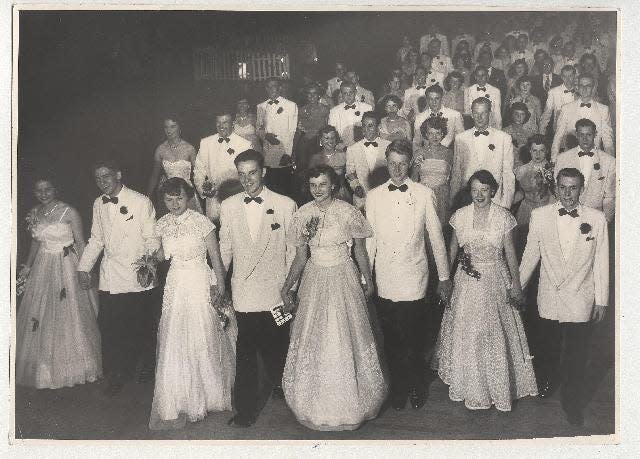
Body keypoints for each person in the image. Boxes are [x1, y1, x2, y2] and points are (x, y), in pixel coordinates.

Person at [280, 165, 387, 431]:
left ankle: (350, 402)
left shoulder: (347, 212)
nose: (318, 190)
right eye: (313, 184)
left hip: (343, 276)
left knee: (343, 335)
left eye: (323, 184)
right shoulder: (302, 214)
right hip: (315, 278)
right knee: (315, 336)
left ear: (333, 186)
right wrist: (287, 287)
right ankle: (313, 402)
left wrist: (368, 279)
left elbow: (360, 251)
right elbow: (300, 258)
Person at [433, 169, 538, 411]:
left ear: (493, 191)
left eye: (484, 190)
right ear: (469, 191)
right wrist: (445, 280)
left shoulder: (503, 217)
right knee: (469, 330)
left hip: (495, 278)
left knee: (491, 332)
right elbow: (451, 251)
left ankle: (496, 386)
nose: (479, 195)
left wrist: (516, 285)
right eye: (474, 189)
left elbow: (511, 254)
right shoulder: (459, 216)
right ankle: (471, 384)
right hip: (466, 281)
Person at [366, 139, 452, 411]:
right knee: (390, 339)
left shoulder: (424, 193)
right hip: (385, 277)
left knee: (414, 337)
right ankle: (398, 388)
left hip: (415, 275)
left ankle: (417, 385)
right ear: (386, 161)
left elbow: (436, 238)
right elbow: (370, 242)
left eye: (403, 164)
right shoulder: (374, 196)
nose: (397, 169)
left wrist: (445, 277)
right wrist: (366, 277)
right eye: (392, 163)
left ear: (411, 163)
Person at [519, 167, 609, 426]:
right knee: (547, 347)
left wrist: (601, 300)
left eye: (573, 188)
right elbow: (529, 258)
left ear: (581, 189)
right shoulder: (540, 215)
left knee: (576, 354)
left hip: (581, 296)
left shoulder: (597, 219)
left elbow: (601, 263)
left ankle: (572, 402)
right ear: (555, 187)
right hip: (550, 296)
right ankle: (548, 380)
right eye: (563, 187)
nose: (567, 193)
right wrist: (518, 288)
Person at [149, 178, 236, 430]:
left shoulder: (202, 222)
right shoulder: (162, 224)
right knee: (175, 336)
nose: (174, 203)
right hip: (176, 282)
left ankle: (208, 395)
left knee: (201, 334)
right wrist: (148, 261)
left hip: (199, 279)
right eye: (169, 199)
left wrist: (220, 286)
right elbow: (161, 254)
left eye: (179, 198)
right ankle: (179, 396)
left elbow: (216, 258)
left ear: (188, 197)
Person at [218, 149, 297, 427]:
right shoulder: (228, 206)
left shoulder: (286, 205)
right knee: (246, 351)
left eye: (252, 173)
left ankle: (286, 389)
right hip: (245, 292)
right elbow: (225, 249)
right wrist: (219, 284)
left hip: (277, 292)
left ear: (263, 172)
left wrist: (290, 289)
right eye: (241, 174)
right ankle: (246, 409)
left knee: (279, 345)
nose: (247, 179)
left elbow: (292, 251)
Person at [77, 158, 160, 396]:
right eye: (98, 178)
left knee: (142, 326)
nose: (102, 182)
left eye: (106, 176)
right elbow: (96, 239)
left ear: (119, 175)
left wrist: (149, 267)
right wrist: (84, 267)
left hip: (138, 275)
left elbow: (152, 239)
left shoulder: (141, 202)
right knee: (110, 326)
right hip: (111, 276)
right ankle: (117, 374)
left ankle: (147, 366)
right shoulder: (98, 203)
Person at [16, 175, 101, 389]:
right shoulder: (35, 213)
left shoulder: (69, 211)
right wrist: (27, 267)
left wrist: (85, 269)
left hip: (67, 265)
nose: (43, 194)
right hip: (43, 266)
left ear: (56, 189)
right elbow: (36, 243)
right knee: (42, 314)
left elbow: (81, 243)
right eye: (39, 191)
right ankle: (45, 367)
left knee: (68, 313)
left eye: (48, 189)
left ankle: (74, 366)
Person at [451, 97, 515, 209]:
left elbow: (508, 176)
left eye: (483, 113)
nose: (479, 117)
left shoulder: (504, 138)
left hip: (495, 201)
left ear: (490, 113)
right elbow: (456, 174)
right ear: (471, 114)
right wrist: (454, 203)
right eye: (476, 113)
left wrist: (505, 205)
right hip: (467, 202)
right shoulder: (460, 138)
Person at [193, 112, 251, 223]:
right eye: (218, 122)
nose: (221, 126)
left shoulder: (244, 144)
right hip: (213, 201)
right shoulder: (206, 143)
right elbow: (198, 172)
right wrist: (204, 190)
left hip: (236, 199)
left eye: (225, 122)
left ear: (233, 123)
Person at [554, 118, 616, 223]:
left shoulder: (609, 161)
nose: (585, 139)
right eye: (581, 135)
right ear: (576, 135)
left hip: (595, 217)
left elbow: (609, 196)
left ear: (595, 134)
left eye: (589, 135)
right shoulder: (562, 158)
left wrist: (605, 220)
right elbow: (557, 189)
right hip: (568, 216)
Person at [147, 116, 203, 214]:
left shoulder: (189, 148)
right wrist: (147, 197)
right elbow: (154, 176)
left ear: (180, 128)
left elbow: (199, 174)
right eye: (166, 127)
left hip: (186, 193)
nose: (169, 130)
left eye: (173, 126)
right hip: (169, 193)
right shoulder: (160, 149)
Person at [551, 73, 614, 161]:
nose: (584, 89)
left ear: (593, 88)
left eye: (588, 86)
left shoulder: (603, 110)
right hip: (570, 158)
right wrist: (553, 160)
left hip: (595, 159)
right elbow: (558, 137)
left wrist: (611, 163)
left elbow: (608, 141)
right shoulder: (566, 109)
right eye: (581, 85)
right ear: (577, 87)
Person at [256, 77, 299, 198]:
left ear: (280, 88)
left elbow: (292, 131)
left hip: (284, 153)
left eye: (274, 86)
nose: (271, 89)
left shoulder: (291, 105)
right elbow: (258, 128)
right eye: (268, 87)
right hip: (268, 152)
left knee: (285, 188)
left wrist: (288, 154)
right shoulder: (261, 106)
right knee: (271, 187)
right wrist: (265, 135)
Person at [411, 116, 453, 225]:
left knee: (441, 228)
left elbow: (453, 178)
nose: (435, 137)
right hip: (424, 195)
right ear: (426, 134)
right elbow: (414, 179)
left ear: (443, 134)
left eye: (438, 133)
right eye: (431, 133)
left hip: (443, 196)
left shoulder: (449, 153)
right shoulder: (419, 152)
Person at [346, 112, 391, 211]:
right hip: (362, 198)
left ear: (378, 127)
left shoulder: (389, 146)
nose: (366, 130)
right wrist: (356, 186)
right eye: (364, 126)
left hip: (385, 196)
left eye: (370, 126)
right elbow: (350, 172)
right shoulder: (352, 149)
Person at [513, 134, 554, 228]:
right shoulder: (521, 170)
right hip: (525, 210)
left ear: (547, 151)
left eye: (541, 150)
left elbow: (554, 195)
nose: (538, 154)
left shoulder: (552, 170)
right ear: (530, 151)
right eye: (534, 150)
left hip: (545, 210)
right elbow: (521, 193)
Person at [307, 125, 351, 203]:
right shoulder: (315, 158)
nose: (330, 141)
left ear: (336, 139)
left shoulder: (344, 156)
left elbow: (350, 176)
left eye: (332, 138)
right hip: (320, 194)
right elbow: (310, 180)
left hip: (340, 195)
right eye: (326, 138)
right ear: (321, 140)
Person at [413, 84, 464, 150]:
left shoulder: (455, 115)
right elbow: (416, 143)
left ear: (442, 98)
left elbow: (461, 141)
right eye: (431, 99)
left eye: (437, 98)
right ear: (427, 100)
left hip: (449, 155)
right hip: (427, 156)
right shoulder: (420, 118)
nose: (434, 102)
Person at [296, 83, 330, 173]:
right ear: (306, 95)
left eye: (314, 93)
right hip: (306, 145)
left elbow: (328, 128)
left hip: (320, 144)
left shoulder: (325, 109)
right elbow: (299, 131)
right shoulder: (302, 110)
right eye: (309, 93)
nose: (311, 96)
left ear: (318, 95)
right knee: (304, 169)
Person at [328, 81, 372, 147]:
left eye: (351, 92)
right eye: (345, 93)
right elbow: (331, 132)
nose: (348, 96)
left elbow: (371, 129)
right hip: (342, 145)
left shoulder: (367, 108)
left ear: (355, 92)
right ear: (341, 94)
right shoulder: (334, 111)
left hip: (363, 144)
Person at [539, 65, 577, 137]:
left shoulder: (580, 91)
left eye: (570, 76)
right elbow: (546, 114)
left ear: (575, 76)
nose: (568, 79)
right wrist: (541, 134)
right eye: (565, 76)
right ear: (561, 77)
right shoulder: (553, 92)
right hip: (559, 131)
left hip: (577, 131)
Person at [504, 102, 537, 168]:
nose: (519, 117)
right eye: (516, 114)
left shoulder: (530, 134)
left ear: (525, 116)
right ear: (511, 115)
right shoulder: (504, 133)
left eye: (522, 114)